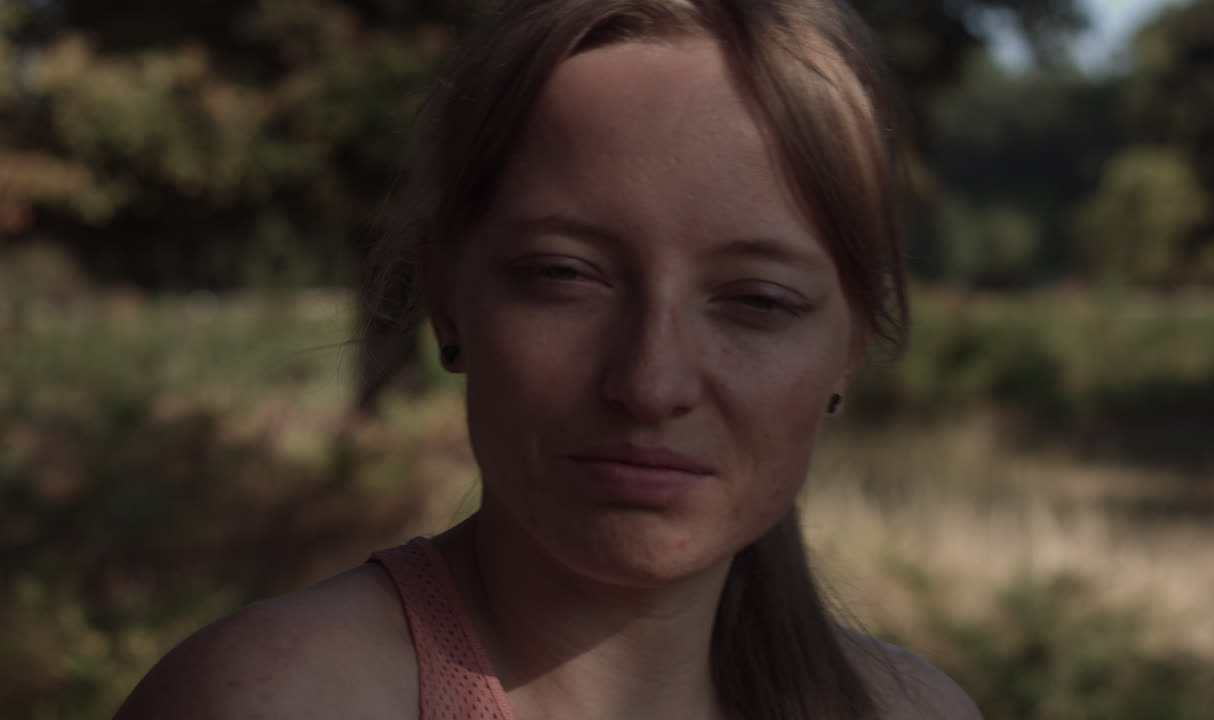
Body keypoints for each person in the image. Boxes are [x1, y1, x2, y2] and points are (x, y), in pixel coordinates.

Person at [115, 1, 982, 718]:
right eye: (564, 276)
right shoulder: (277, 700)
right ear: (447, 296)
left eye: (758, 301)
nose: (650, 384)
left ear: (851, 346)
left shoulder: (917, 711)